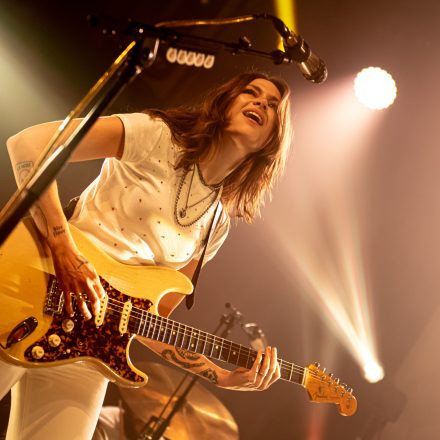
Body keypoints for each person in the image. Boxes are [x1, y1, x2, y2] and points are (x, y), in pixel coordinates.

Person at [2, 71, 292, 439]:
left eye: (272, 106)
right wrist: (63, 246)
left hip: (88, 347)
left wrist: (220, 375)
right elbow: (28, 145)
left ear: (272, 140)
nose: (260, 103)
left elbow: (155, 319)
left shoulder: (216, 224)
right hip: (30, 281)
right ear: (225, 100)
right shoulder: (157, 134)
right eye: (251, 93)